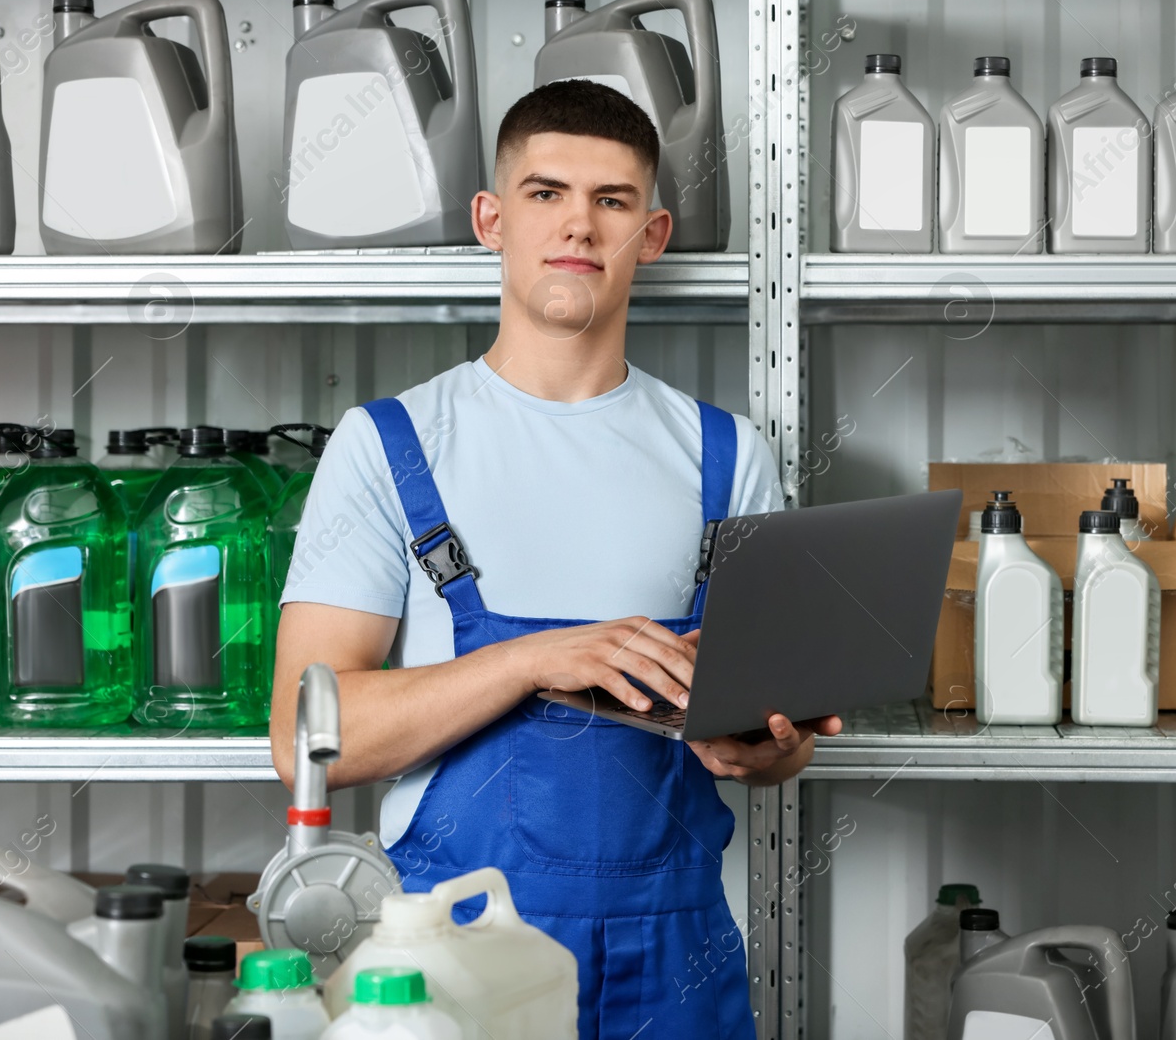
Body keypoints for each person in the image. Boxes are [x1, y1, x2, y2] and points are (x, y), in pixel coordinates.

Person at [271, 79, 840, 1038]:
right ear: (492, 219)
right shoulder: (389, 444)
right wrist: (539, 658)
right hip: (449, 956)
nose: (578, 224)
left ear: (650, 236)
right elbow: (303, 740)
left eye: (611, 201)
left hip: (677, 958)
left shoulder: (728, 455)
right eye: (545, 194)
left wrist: (772, 745)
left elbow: (785, 744)